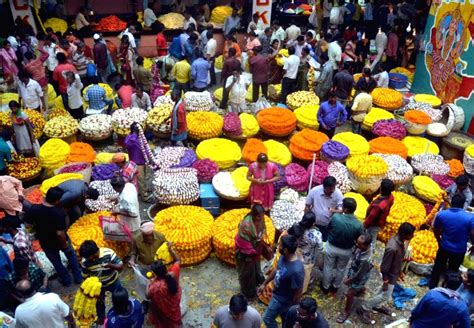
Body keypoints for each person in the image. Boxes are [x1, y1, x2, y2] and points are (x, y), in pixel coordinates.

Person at [357, 222, 416, 324]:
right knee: (386, 295)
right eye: (410, 234)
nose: (412, 236)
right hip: (389, 275)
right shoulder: (392, 248)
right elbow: (384, 267)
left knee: (383, 292)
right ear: (403, 234)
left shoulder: (400, 241)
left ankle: (377, 305)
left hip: (394, 273)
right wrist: (385, 281)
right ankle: (364, 307)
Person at [25, 187, 83, 287]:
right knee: (71, 256)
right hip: (61, 241)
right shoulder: (59, 213)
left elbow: (28, 225)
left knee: (56, 262)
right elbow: (60, 233)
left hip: (46, 242)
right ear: (57, 200)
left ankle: (66, 281)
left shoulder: (34, 209)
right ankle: (78, 277)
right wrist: (64, 246)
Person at [429, 194, 474, 289]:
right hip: (459, 250)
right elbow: (472, 234)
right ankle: (448, 288)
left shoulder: (442, 214)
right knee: (453, 271)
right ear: (463, 204)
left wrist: (438, 239)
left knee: (437, 268)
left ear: (451, 202)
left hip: (444, 246)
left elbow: (435, 229)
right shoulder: (470, 218)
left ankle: (432, 286)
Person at [260, 235, 304, 328]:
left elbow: (298, 293)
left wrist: (293, 308)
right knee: (285, 317)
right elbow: (277, 269)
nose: (278, 246)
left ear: (286, 250)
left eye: (280, 245)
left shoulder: (296, 271)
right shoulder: (284, 257)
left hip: (282, 300)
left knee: (267, 318)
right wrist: (265, 283)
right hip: (277, 294)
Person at [322, 197, 364, 294]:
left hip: (332, 246)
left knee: (328, 266)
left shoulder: (336, 217)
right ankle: (335, 286)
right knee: (341, 269)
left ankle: (325, 286)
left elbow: (328, 228)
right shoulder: (358, 224)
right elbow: (359, 238)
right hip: (346, 250)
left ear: (345, 209)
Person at [80, 240, 124, 326]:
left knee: (119, 298)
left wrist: (110, 265)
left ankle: (121, 314)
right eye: (88, 258)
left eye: (90, 257)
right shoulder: (85, 261)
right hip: (99, 287)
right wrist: (95, 291)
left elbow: (120, 266)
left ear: (95, 253)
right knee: (99, 302)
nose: (90, 260)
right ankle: (101, 317)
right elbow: (85, 276)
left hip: (113, 281)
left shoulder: (108, 253)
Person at [336, 233, 373, 323]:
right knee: (356, 288)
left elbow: (359, 275)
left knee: (350, 293)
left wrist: (349, 280)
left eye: (359, 244)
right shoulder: (366, 247)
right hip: (356, 270)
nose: (357, 245)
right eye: (357, 242)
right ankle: (360, 290)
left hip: (359, 276)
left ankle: (346, 312)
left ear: (366, 245)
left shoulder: (365, 260)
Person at [234, 204, 269, 299]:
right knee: (247, 273)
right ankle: (248, 292)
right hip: (245, 253)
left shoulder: (261, 220)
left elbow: (262, 233)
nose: (261, 219)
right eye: (258, 217)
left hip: (255, 250)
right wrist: (252, 251)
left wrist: (263, 246)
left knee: (256, 268)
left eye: (262, 216)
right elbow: (241, 242)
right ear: (253, 215)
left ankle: (258, 284)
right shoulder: (245, 225)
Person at [146, 249, 182, 328]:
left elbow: (147, 296)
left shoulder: (155, 286)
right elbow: (178, 260)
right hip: (174, 307)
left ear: (154, 273)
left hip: (164, 311)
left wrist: (148, 283)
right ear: (165, 268)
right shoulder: (174, 272)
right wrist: (171, 250)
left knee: (166, 322)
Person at [305, 176, 343, 241]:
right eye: (329, 191)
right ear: (324, 187)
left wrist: (334, 210)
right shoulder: (314, 191)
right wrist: (307, 221)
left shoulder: (338, 194)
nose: (332, 191)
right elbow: (307, 206)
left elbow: (341, 210)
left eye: (333, 189)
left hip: (327, 225)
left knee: (323, 241)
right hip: (313, 223)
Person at [364, 179, 395, 250]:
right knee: (373, 235)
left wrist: (365, 225)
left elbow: (371, 216)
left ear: (381, 188)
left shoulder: (378, 205)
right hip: (381, 222)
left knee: (370, 237)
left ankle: (370, 250)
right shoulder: (391, 197)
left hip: (374, 224)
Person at [124, 123, 153, 201]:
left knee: (143, 178)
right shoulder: (129, 138)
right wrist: (134, 134)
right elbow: (128, 144)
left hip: (144, 161)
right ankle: (145, 197)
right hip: (136, 163)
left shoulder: (141, 138)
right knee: (141, 180)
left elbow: (145, 149)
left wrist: (150, 159)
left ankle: (143, 190)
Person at [297, 212, 323, 293]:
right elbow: (320, 248)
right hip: (308, 258)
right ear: (313, 223)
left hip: (296, 254)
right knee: (306, 274)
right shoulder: (317, 234)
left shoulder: (297, 228)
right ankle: (302, 290)